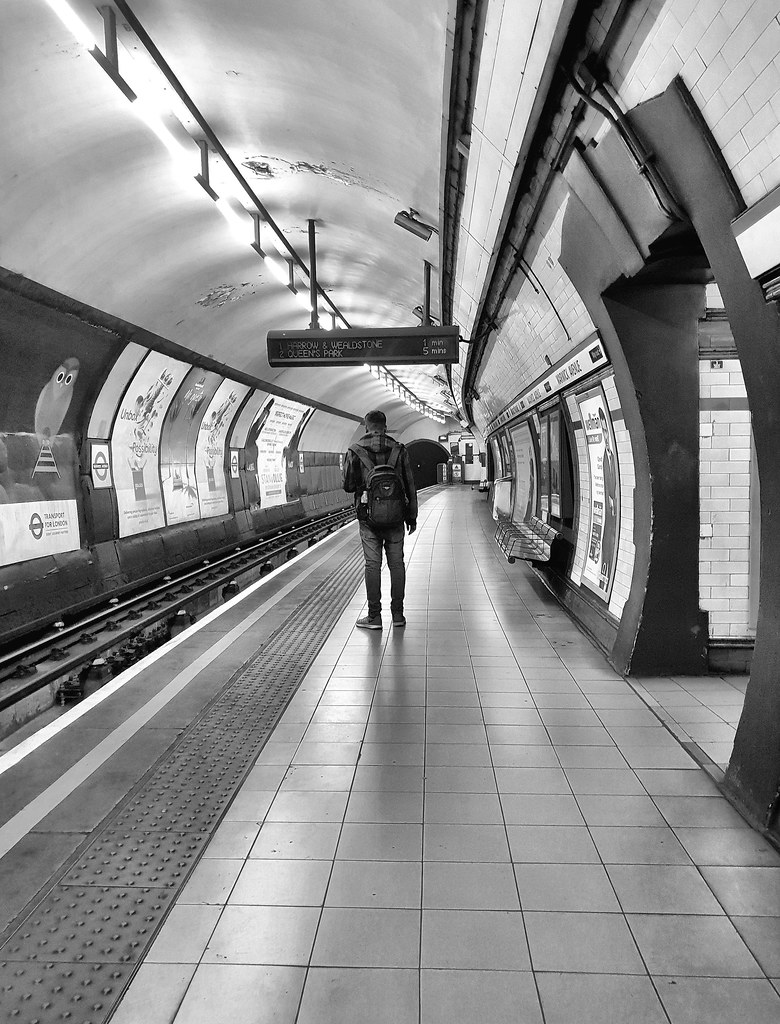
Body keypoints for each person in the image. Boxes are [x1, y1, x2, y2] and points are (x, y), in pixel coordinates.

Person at [343, 409, 418, 629]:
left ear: (366, 427)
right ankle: (398, 616)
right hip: (396, 518)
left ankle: (374, 617)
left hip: (368, 519)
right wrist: (411, 516)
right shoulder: (399, 449)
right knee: (397, 564)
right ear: (385, 427)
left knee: (372, 565)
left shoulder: (355, 451)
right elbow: (410, 485)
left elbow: (347, 486)